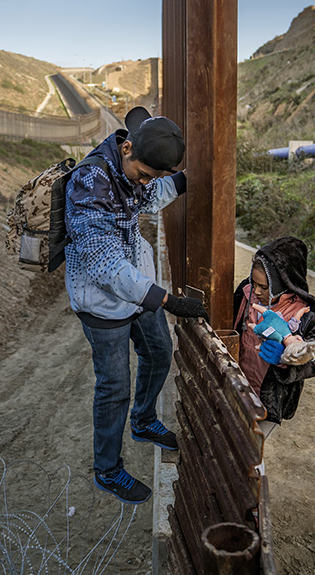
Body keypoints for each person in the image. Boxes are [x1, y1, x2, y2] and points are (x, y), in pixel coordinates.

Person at [64, 107, 208, 504]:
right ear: (127, 147)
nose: (147, 183)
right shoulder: (89, 183)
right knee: (114, 387)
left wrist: (184, 180)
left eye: (154, 176)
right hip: (102, 303)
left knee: (160, 353)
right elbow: (103, 263)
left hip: (137, 288)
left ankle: (143, 422)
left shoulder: (131, 170)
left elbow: (147, 196)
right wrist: (168, 300)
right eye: (145, 173)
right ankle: (107, 470)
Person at [233, 236, 315, 439]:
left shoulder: (308, 316)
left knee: (251, 451)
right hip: (238, 389)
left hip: (269, 402)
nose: (257, 291)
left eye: (264, 287)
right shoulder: (245, 294)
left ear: (283, 283)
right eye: (254, 283)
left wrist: (288, 358)